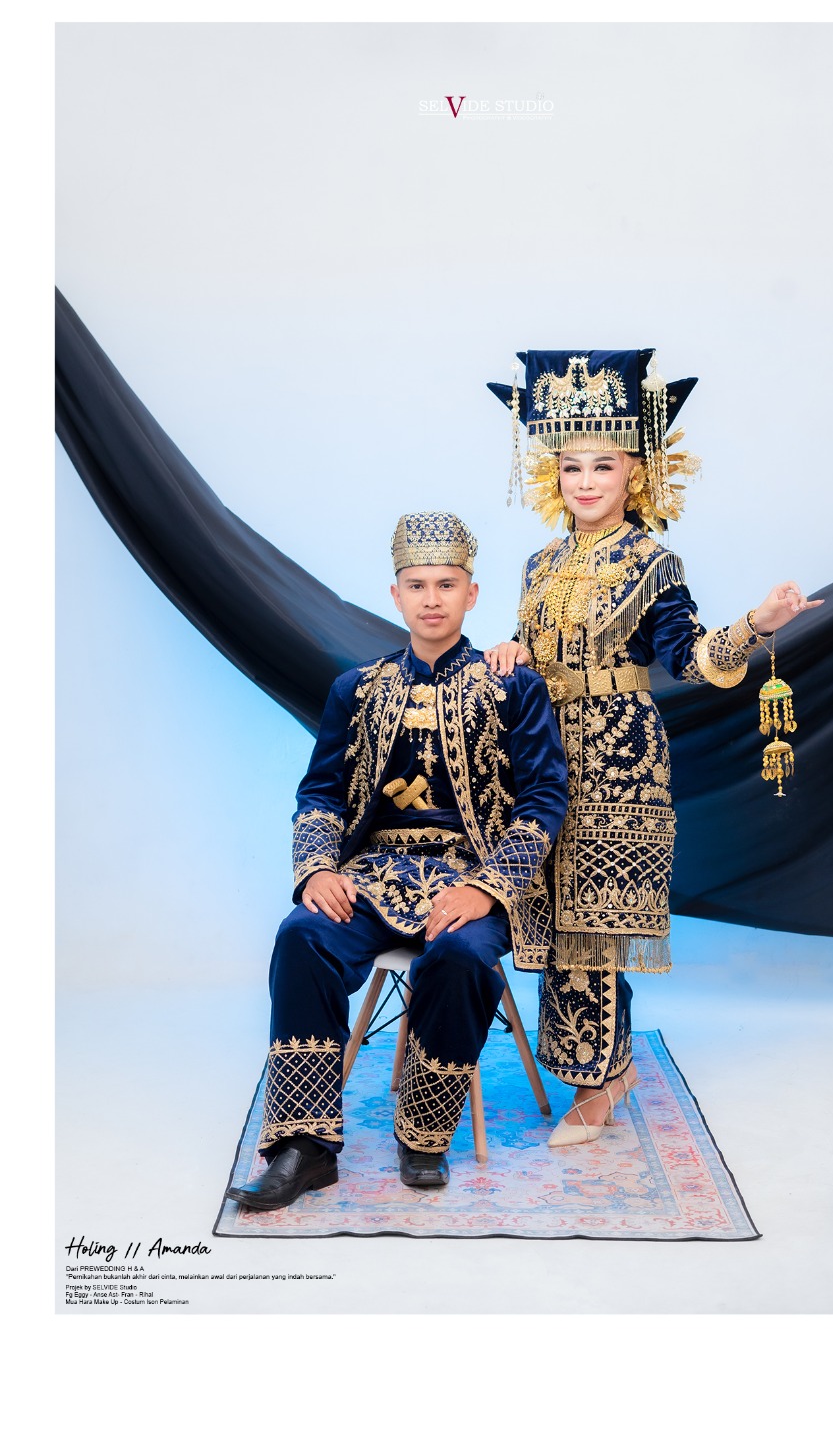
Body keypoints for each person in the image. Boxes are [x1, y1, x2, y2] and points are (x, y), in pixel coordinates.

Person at [484, 349, 822, 1147]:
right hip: (542, 754)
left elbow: (692, 659)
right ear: (555, 474)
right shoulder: (539, 564)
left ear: (634, 472)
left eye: (603, 465)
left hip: (618, 758)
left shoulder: (653, 563)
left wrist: (758, 625)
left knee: (595, 926)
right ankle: (611, 1066)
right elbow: (537, 644)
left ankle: (595, 1085)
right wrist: (516, 649)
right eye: (572, 467)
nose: (586, 482)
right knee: (555, 920)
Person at [227, 510, 568, 1209]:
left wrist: (489, 888)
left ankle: (425, 1134)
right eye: (417, 585)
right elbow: (321, 793)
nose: (432, 599)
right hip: (371, 877)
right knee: (302, 936)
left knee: (462, 955)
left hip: (472, 878)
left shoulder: (514, 688)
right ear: (396, 595)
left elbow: (543, 800)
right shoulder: (356, 688)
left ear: (471, 593)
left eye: (447, 585)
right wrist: (317, 869)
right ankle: (303, 1147)